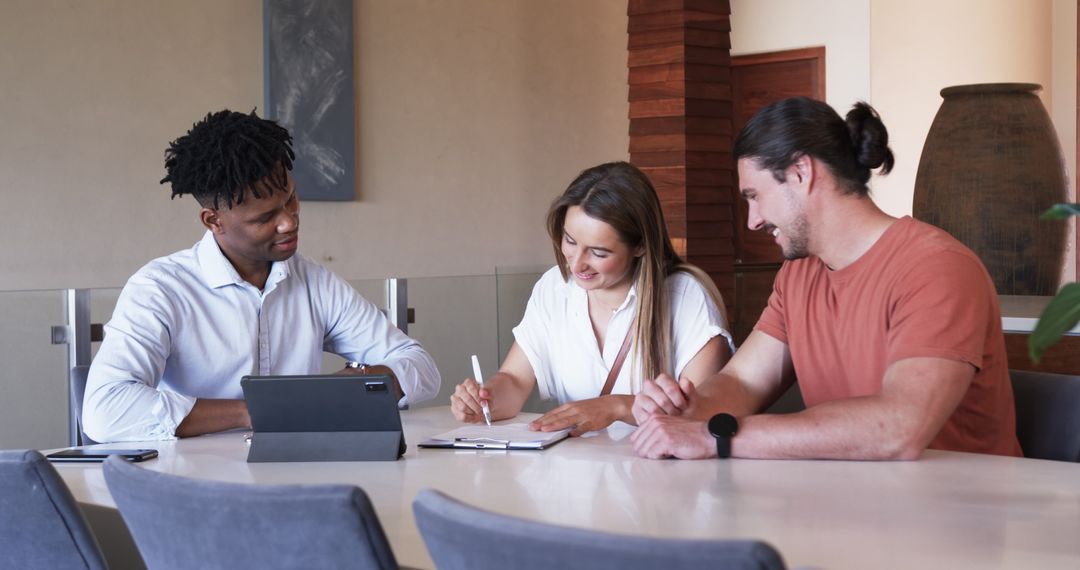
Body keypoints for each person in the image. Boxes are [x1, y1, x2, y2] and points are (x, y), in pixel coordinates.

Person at [631, 97, 1022, 460]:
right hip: (852, 510)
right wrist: (683, 410)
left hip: (960, 519)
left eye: (754, 195)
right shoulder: (797, 274)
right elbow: (742, 383)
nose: (752, 221)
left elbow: (900, 427)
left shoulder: (937, 267)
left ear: (801, 172)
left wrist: (717, 437)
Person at [82, 110, 440, 442]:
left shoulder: (314, 281)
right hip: (194, 486)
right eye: (264, 218)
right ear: (213, 221)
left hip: (297, 474)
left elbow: (421, 369)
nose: (288, 221)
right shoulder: (161, 289)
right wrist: (257, 412)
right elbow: (104, 411)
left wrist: (358, 382)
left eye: (291, 199)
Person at [450, 161, 734, 436]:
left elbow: (704, 412)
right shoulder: (554, 288)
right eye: (570, 242)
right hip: (575, 475)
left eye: (598, 252)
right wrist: (484, 399)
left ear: (640, 246)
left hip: (658, 474)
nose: (576, 266)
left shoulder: (686, 297)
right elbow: (514, 380)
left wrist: (618, 407)